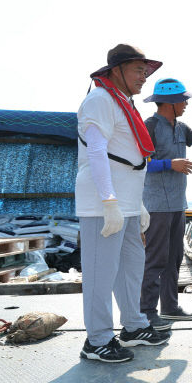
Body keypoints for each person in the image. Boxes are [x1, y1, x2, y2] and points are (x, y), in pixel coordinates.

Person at [76, 44, 170, 363]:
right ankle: (97, 340)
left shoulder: (123, 102)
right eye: (138, 70)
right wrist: (109, 201)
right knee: (101, 272)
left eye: (146, 71)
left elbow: (130, 158)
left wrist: (136, 204)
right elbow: (96, 151)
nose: (144, 77)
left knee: (131, 267)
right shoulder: (101, 100)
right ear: (116, 70)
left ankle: (133, 327)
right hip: (105, 203)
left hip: (127, 202)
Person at [140, 79, 192, 329]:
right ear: (171, 102)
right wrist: (170, 164)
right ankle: (147, 311)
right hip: (155, 205)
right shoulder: (149, 126)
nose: (186, 104)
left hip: (177, 203)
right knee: (155, 258)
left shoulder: (181, 127)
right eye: (183, 100)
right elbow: (139, 164)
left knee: (174, 257)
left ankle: (170, 307)